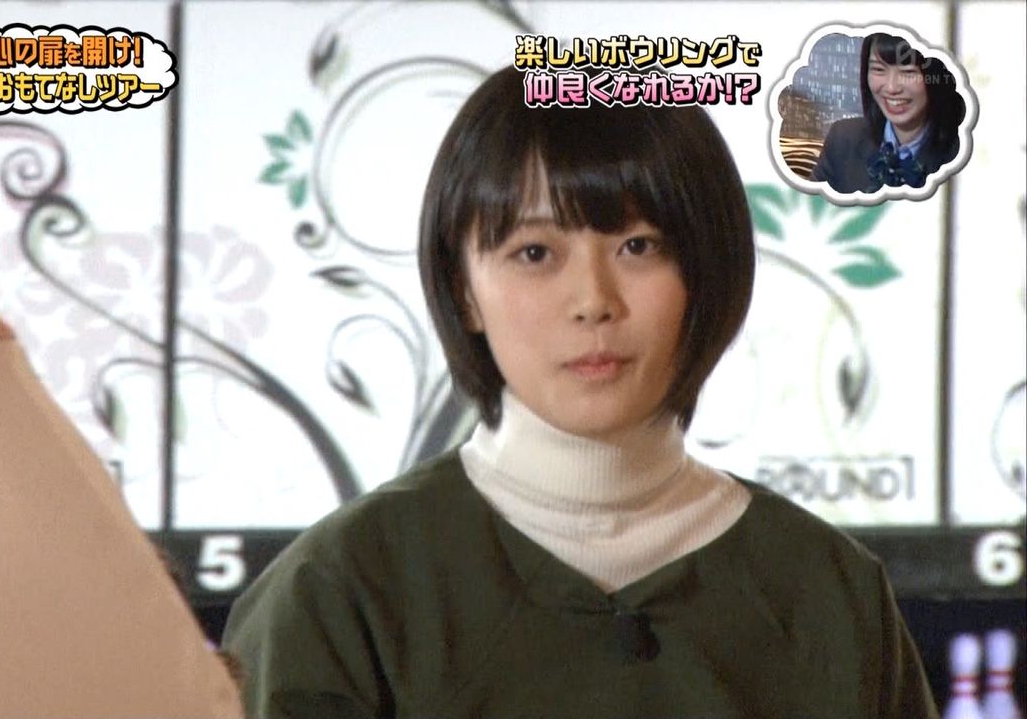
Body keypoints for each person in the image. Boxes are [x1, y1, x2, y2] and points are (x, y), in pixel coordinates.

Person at [222, 64, 938, 718]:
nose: (593, 301)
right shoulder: (339, 594)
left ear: (706, 269)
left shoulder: (829, 592)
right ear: (464, 291)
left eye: (638, 246)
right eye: (534, 253)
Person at [811, 32, 965, 193]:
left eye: (908, 72)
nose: (891, 88)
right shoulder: (843, 138)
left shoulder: (963, 152)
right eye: (878, 69)